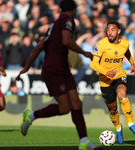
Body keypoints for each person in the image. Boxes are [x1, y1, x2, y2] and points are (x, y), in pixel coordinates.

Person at [16, 1, 102, 150]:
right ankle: (31, 116)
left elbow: (38, 48)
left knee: (76, 103)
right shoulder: (68, 21)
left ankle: (84, 142)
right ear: (74, 10)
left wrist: (26, 68)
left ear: (61, 10)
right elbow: (66, 40)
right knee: (65, 108)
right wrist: (85, 53)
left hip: (62, 69)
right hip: (53, 69)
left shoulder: (54, 25)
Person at [90, 20, 135, 145]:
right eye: (108, 29)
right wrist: (106, 73)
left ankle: (131, 124)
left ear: (118, 31)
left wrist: (132, 64)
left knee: (122, 95)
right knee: (113, 109)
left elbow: (127, 51)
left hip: (119, 76)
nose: (110, 32)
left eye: (112, 29)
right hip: (105, 81)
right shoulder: (102, 44)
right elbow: (92, 64)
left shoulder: (124, 43)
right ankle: (118, 129)